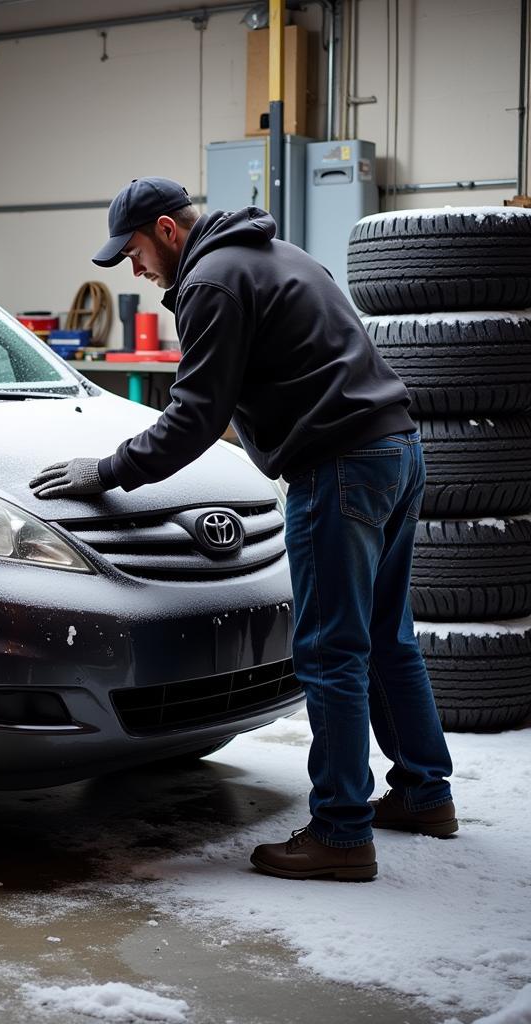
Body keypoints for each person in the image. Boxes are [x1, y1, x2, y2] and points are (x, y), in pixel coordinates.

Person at [29, 177, 456, 882]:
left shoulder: (212, 282)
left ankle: (342, 833)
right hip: (397, 450)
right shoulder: (280, 255)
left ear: (168, 230)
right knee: (385, 635)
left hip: (339, 464)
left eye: (133, 251)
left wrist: (103, 471)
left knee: (328, 651)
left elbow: (194, 417)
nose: (133, 269)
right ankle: (423, 792)